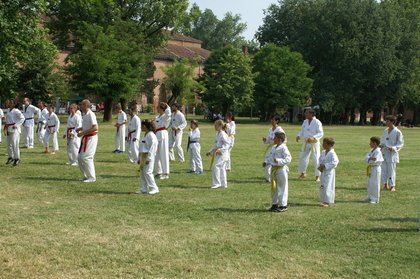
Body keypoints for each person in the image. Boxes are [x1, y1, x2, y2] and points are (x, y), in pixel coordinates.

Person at [263, 132, 292, 212]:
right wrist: (266, 162)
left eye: (275, 138)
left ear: (279, 139)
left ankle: (283, 205)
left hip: (281, 169)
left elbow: (288, 159)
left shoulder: (284, 148)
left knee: (282, 187)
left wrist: (279, 160)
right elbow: (269, 157)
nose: (273, 139)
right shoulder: (273, 148)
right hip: (273, 170)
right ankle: (274, 204)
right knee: (274, 188)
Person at [296, 108, 324, 181]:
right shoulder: (305, 121)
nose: (305, 114)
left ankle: (317, 176)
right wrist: (299, 136)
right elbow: (302, 130)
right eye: (305, 113)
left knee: (316, 159)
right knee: (302, 157)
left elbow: (321, 133)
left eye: (307, 113)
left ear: (312, 114)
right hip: (306, 142)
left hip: (314, 143)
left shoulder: (317, 122)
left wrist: (313, 137)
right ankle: (303, 173)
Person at [76, 99, 98, 183]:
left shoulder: (91, 114)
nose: (80, 106)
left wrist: (82, 133)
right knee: (80, 158)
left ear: (86, 105)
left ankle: (92, 177)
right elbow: (87, 125)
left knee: (86, 157)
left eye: (82, 104)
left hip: (91, 138)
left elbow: (95, 127)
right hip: (86, 137)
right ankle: (85, 176)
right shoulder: (85, 115)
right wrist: (80, 128)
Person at [380, 115, 404, 192]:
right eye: (386, 121)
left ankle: (392, 186)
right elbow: (383, 141)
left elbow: (400, 143)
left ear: (392, 122)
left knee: (391, 170)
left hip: (392, 153)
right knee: (384, 169)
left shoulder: (397, 132)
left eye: (388, 121)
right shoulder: (385, 130)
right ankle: (385, 184)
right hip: (384, 152)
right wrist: (380, 146)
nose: (386, 122)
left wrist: (393, 148)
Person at [136, 119, 159, 195]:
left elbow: (153, 148)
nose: (141, 128)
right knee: (142, 173)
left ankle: (154, 188)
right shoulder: (145, 134)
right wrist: (139, 158)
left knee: (148, 172)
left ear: (145, 126)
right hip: (143, 156)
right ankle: (143, 189)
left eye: (141, 126)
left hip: (148, 156)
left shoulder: (151, 135)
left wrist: (149, 158)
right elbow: (141, 147)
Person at [207, 120, 230, 189]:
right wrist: (210, 152)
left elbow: (228, 144)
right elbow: (216, 145)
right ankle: (223, 184)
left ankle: (217, 183)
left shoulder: (223, 134)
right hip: (218, 153)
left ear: (220, 126)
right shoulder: (218, 134)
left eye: (216, 125)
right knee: (222, 168)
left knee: (216, 166)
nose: (214, 127)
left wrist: (221, 150)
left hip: (222, 154)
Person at [262, 115, 286, 182]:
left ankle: (277, 176)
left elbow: (284, 140)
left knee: (276, 162)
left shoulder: (280, 130)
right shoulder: (270, 129)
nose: (271, 121)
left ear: (277, 121)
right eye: (271, 119)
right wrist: (265, 140)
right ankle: (269, 178)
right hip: (271, 148)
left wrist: (279, 147)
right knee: (266, 162)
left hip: (278, 148)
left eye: (273, 120)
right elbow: (269, 140)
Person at [318, 137, 339, 207]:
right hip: (323, 171)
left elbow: (335, 162)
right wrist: (320, 166)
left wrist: (325, 166)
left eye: (324, 144)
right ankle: (323, 200)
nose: (322, 145)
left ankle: (327, 201)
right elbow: (320, 159)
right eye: (323, 143)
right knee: (323, 186)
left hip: (329, 172)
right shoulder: (323, 152)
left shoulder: (332, 154)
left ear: (330, 145)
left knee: (328, 186)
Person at [4, 99, 25, 166]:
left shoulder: (16, 111)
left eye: (11, 103)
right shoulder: (8, 110)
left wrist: (16, 125)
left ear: (14, 104)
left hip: (15, 129)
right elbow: (7, 121)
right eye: (9, 102)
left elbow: (22, 118)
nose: (9, 104)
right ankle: (11, 157)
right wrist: (5, 128)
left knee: (15, 144)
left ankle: (17, 158)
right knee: (8, 144)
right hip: (8, 128)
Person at [154, 102, 171, 179]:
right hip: (157, 134)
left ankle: (165, 173)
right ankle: (158, 172)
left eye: (158, 107)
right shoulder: (157, 116)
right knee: (156, 154)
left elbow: (168, 113)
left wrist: (166, 106)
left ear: (161, 109)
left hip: (163, 134)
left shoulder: (165, 116)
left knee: (163, 153)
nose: (157, 108)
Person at [364, 136, 384, 204]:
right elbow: (365, 158)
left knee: (375, 183)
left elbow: (375, 159)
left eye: (370, 142)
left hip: (376, 168)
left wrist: (370, 158)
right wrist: (370, 158)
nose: (369, 144)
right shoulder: (371, 150)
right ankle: (369, 197)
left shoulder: (378, 151)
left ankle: (375, 199)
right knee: (370, 183)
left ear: (375, 143)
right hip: (370, 168)